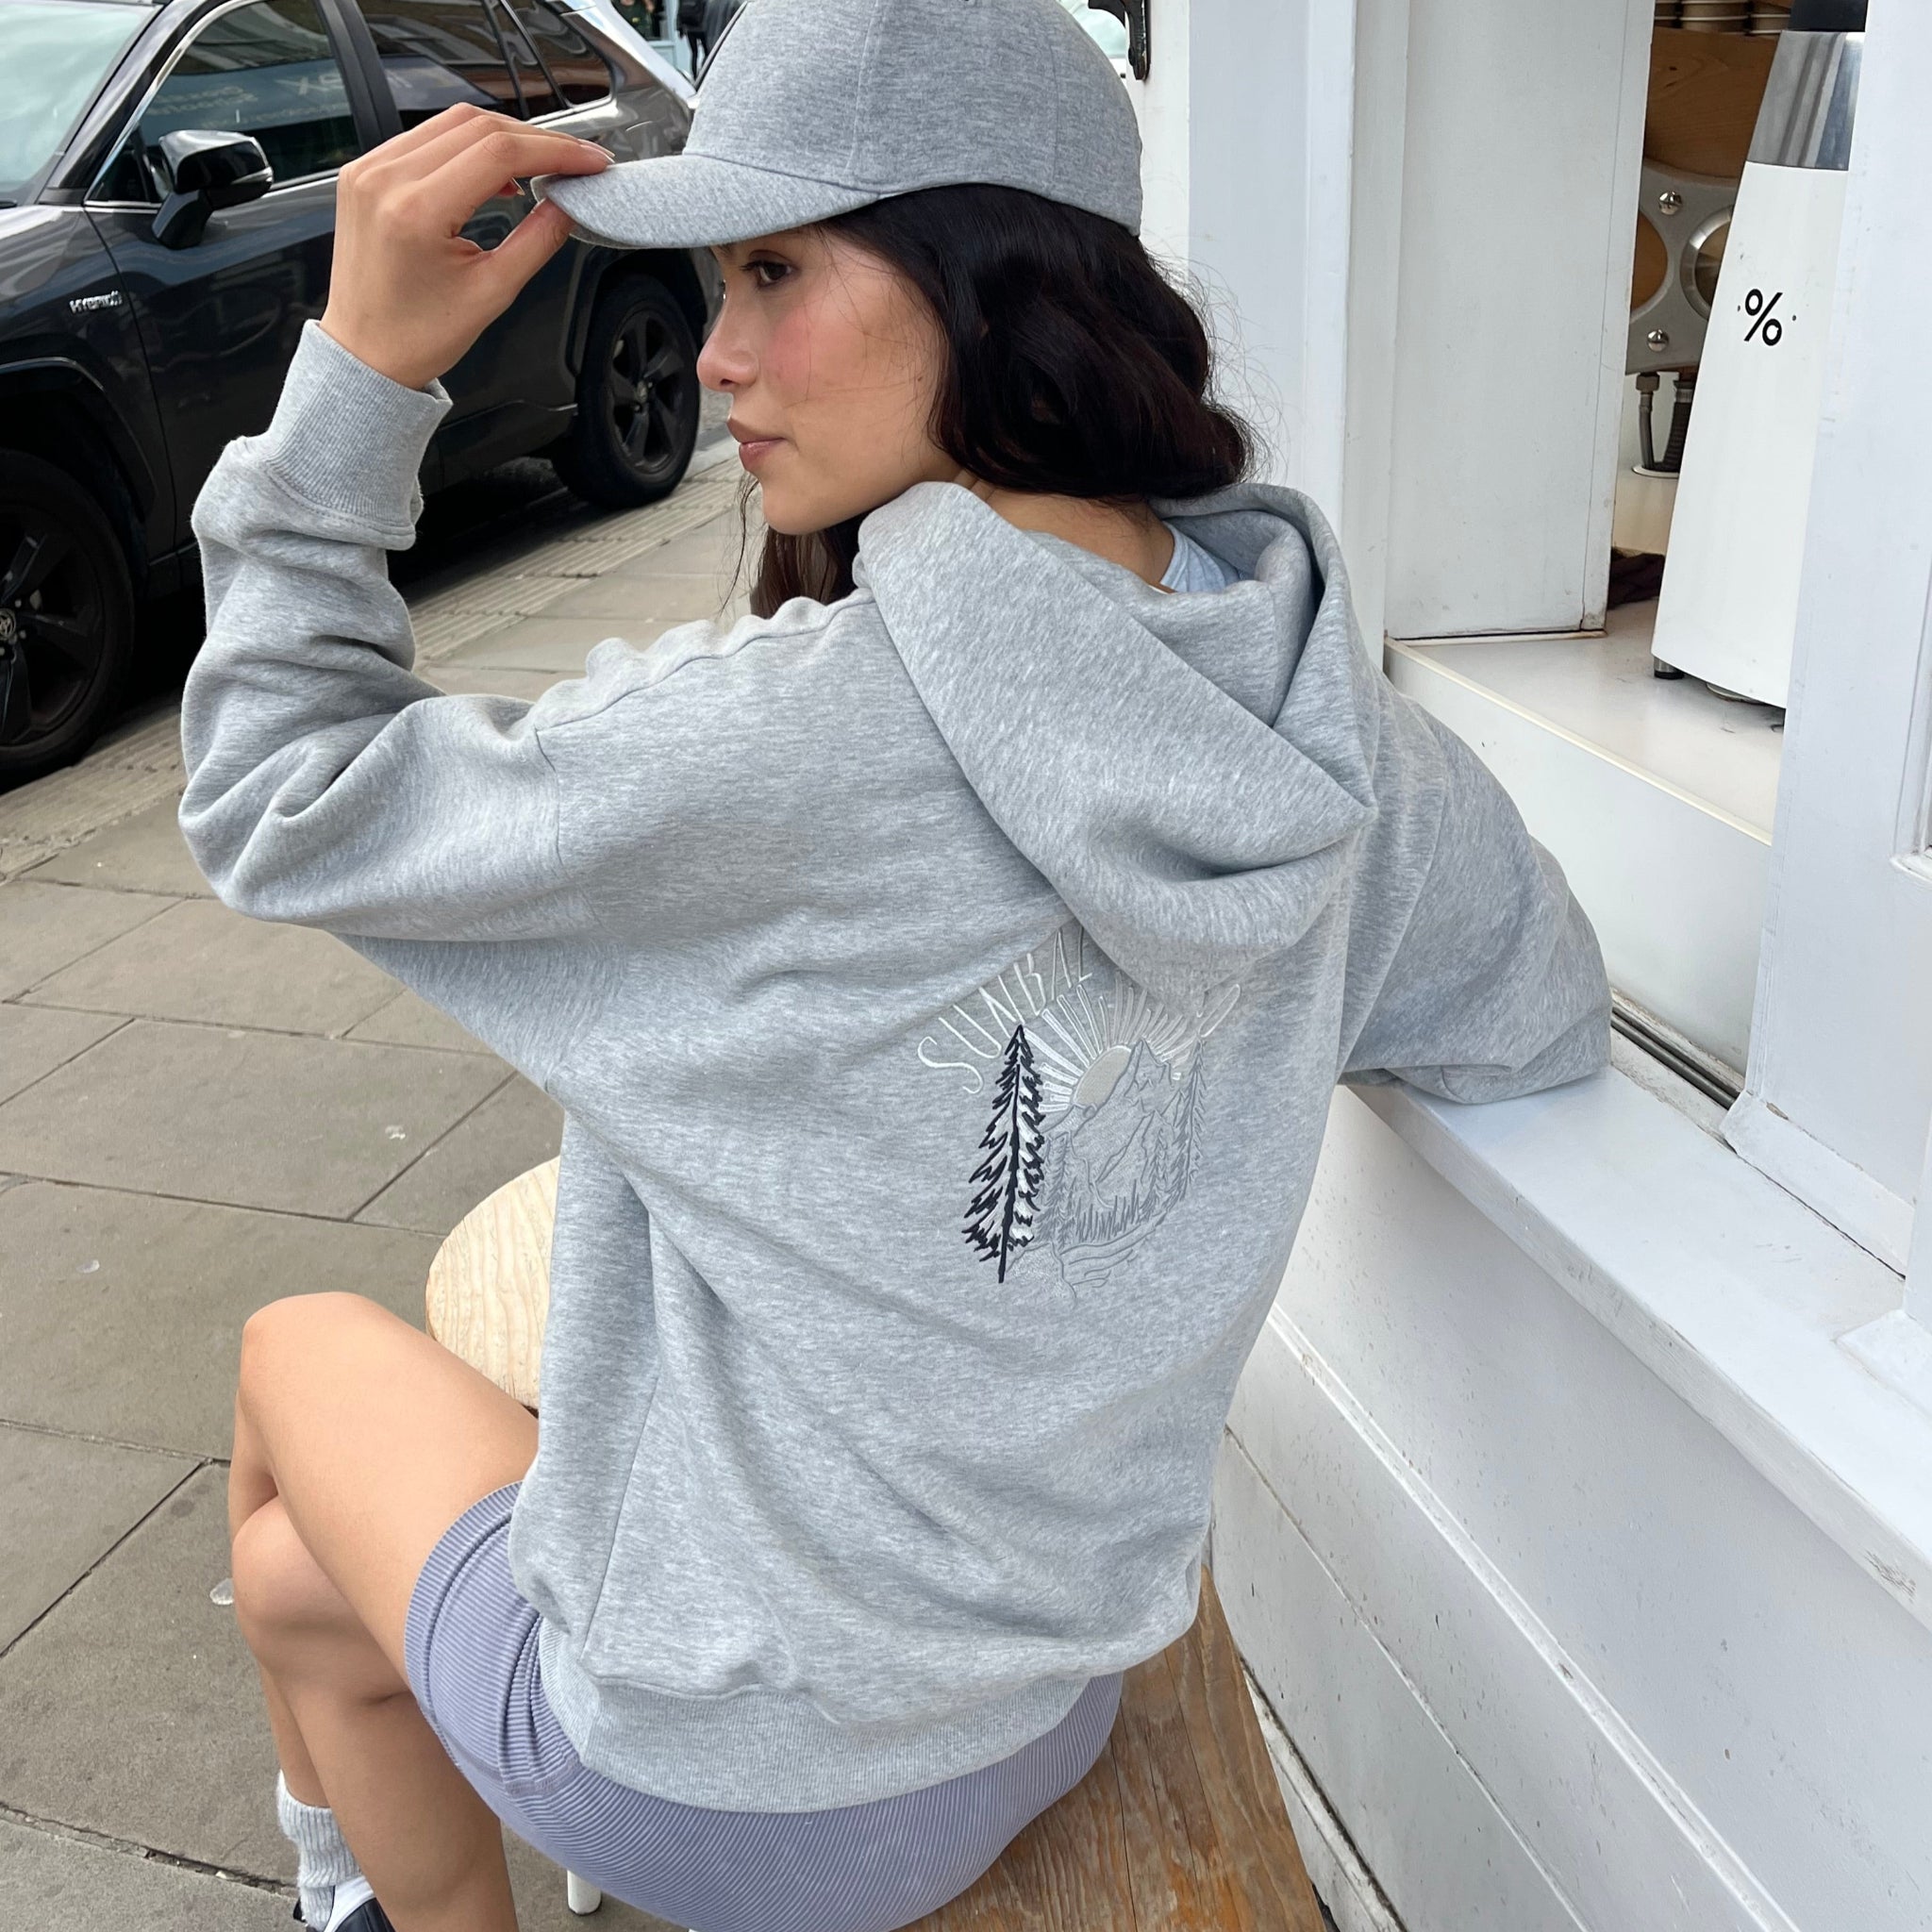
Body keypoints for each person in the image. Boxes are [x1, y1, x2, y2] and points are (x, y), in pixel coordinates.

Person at [175, 0, 1612, 1926]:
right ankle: (352, 1882)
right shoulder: (1316, 717)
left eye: (775, 266)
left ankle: (367, 1890)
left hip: (733, 1769)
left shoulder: (790, 743)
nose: (717, 354)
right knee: (299, 1590)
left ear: (989, 276)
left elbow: (274, 790)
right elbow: (1535, 1004)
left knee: (289, 1357)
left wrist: (355, 376)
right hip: (1038, 1693)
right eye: (710, 279)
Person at [675, 0, 706, 77]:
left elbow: (679, 12)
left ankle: (695, 76)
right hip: (702, 28)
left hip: (689, 29)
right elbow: (705, 9)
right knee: (707, 52)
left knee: (694, 53)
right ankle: (705, 72)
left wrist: (680, 29)